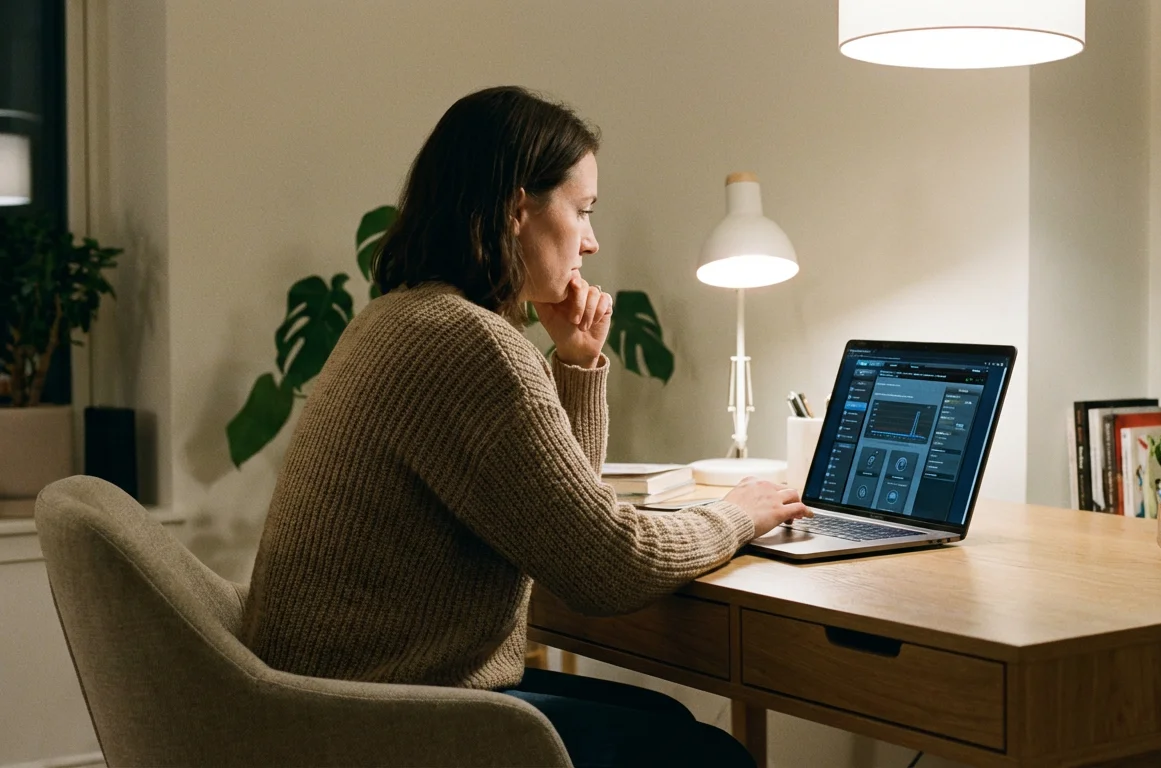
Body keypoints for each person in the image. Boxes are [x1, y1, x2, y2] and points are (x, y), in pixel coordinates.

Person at [241, 85, 811, 767]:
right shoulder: (468, 343)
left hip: (316, 705)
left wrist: (576, 362)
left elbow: (561, 518)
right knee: (707, 757)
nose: (593, 241)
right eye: (583, 210)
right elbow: (608, 567)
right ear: (519, 209)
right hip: (378, 723)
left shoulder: (400, 317)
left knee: (660, 718)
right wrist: (736, 515)